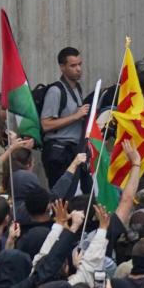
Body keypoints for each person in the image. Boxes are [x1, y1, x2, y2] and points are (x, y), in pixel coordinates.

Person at [39, 46, 90, 184]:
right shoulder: (56, 91)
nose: (78, 69)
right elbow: (45, 124)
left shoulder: (77, 88)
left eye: (79, 64)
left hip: (74, 150)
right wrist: (75, 116)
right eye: (73, 65)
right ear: (62, 67)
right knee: (62, 197)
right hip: (59, 152)